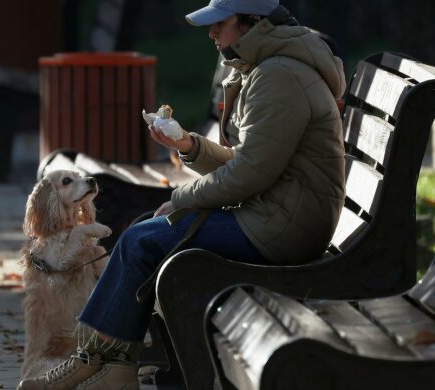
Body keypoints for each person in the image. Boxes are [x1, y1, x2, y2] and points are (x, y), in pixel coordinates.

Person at [18, 0, 346, 388]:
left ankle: (95, 362)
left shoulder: (279, 76)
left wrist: (183, 197)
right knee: (145, 230)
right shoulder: (268, 68)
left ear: (252, 24)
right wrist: (190, 146)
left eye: (220, 25)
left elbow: (251, 173)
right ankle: (115, 367)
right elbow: (251, 161)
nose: (212, 34)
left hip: (285, 226)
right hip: (278, 213)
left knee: (142, 238)